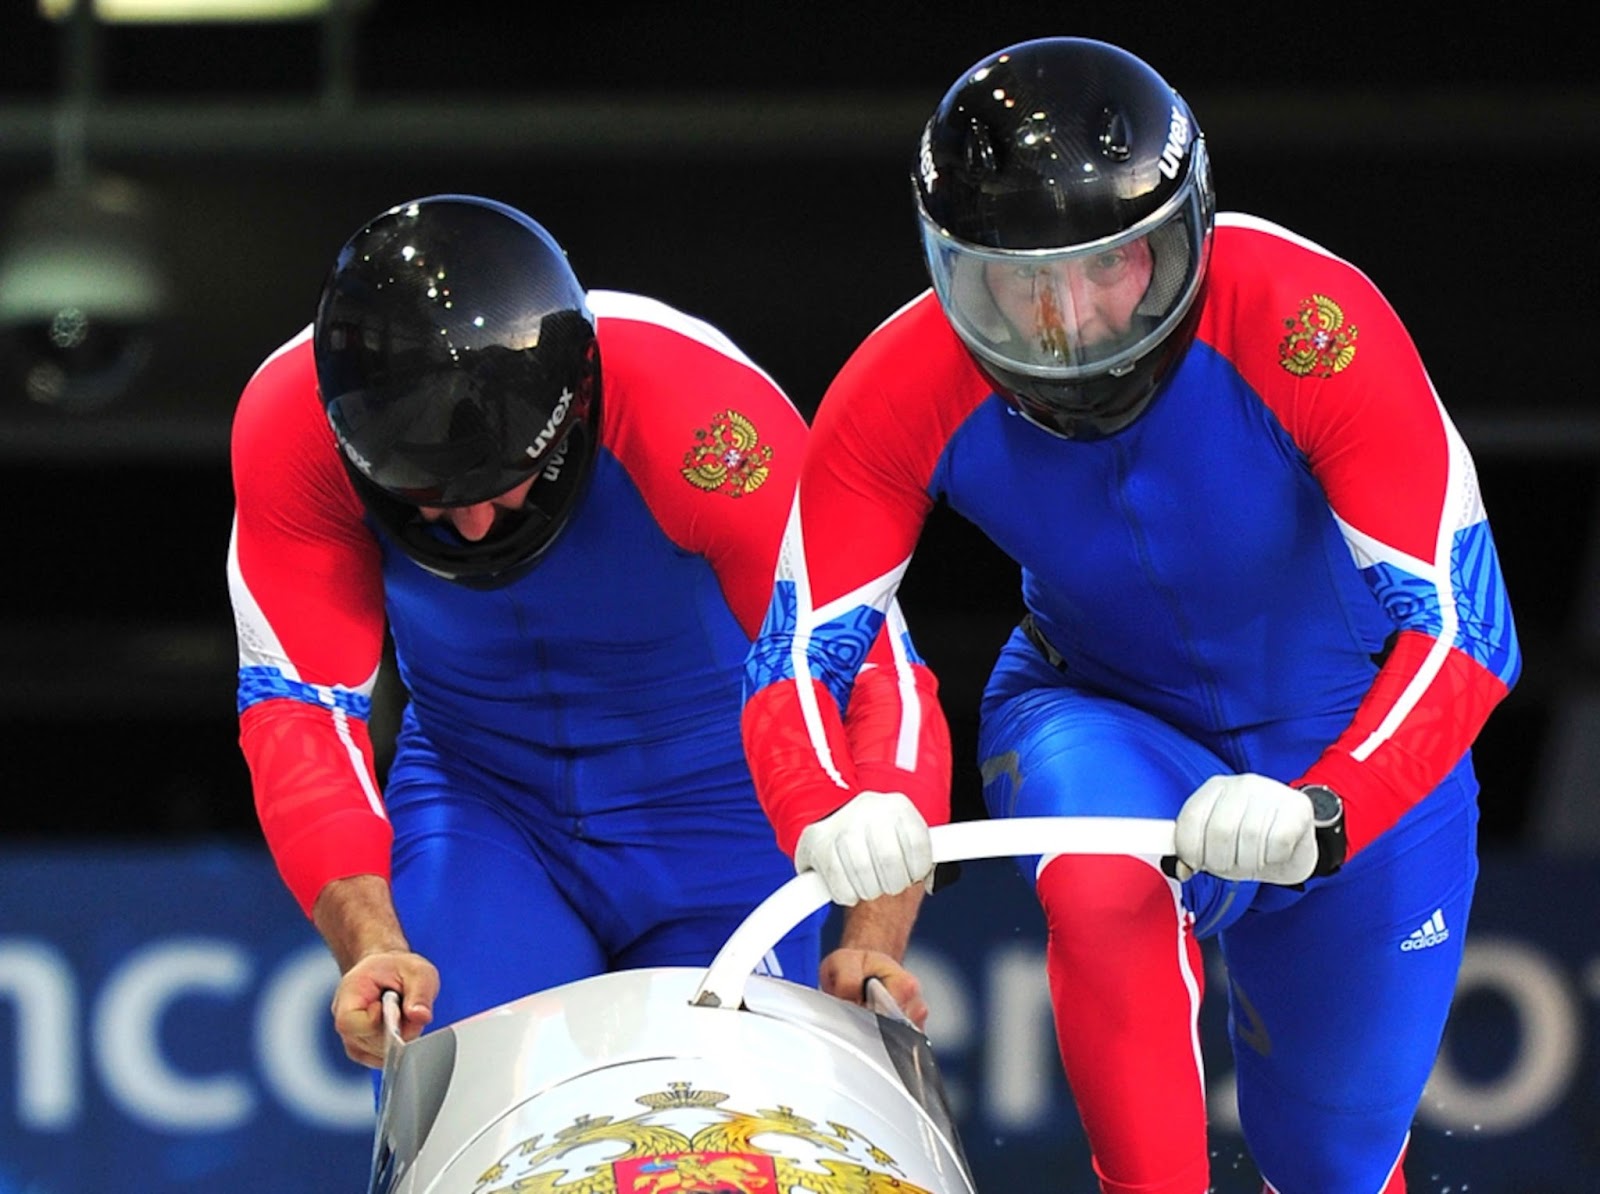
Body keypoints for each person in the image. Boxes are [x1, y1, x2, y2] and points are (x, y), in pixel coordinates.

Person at [741, 38, 1520, 1194]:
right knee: (1101, 892)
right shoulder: (897, 384)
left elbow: (1467, 629)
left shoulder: (1310, 320)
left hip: (1351, 743)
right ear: (954, 271)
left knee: (1334, 1163)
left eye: (1109, 265)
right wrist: (824, 805)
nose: (1070, 321)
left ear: (1180, 237)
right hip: (1100, 712)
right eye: (1018, 281)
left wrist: (1333, 799)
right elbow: (797, 653)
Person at [226, 194, 951, 1070]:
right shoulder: (290, 427)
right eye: (429, 496)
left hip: (720, 817)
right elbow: (300, 709)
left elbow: (871, 666)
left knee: (714, 1125)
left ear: (572, 408)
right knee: (459, 1079)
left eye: (500, 481)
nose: (475, 526)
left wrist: (874, 933)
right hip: (482, 807)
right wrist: (372, 944)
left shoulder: (699, 408)